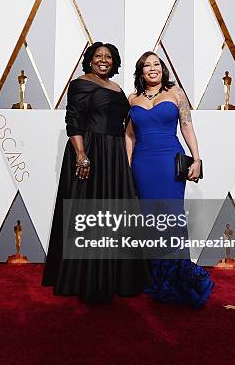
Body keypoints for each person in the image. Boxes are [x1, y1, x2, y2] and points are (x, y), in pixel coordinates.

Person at [42, 42, 149, 303]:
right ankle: (83, 277)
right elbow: (73, 121)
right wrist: (81, 155)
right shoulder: (80, 84)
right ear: (90, 60)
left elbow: (125, 125)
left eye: (108, 57)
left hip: (114, 153)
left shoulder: (118, 88)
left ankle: (115, 277)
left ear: (114, 63)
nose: (103, 60)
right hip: (90, 150)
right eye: (98, 56)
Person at [126, 51, 214, 309]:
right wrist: (128, 164)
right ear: (140, 72)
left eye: (156, 64)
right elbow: (129, 135)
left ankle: (175, 277)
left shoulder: (177, 94)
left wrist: (196, 159)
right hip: (143, 163)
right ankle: (155, 276)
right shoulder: (132, 98)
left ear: (163, 69)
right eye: (146, 66)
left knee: (170, 216)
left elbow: (187, 126)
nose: (152, 69)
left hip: (168, 162)